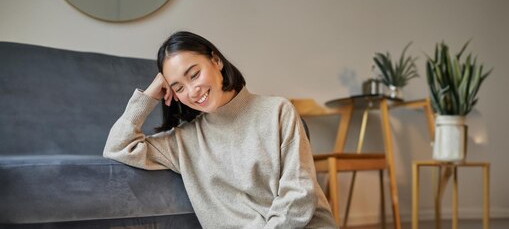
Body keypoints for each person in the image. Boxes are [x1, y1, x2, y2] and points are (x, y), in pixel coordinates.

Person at [103, 31, 337, 228]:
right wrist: (147, 97)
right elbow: (118, 147)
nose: (193, 91)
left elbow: (299, 195)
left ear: (216, 61)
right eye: (179, 88)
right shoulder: (184, 141)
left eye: (194, 75)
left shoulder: (277, 111)